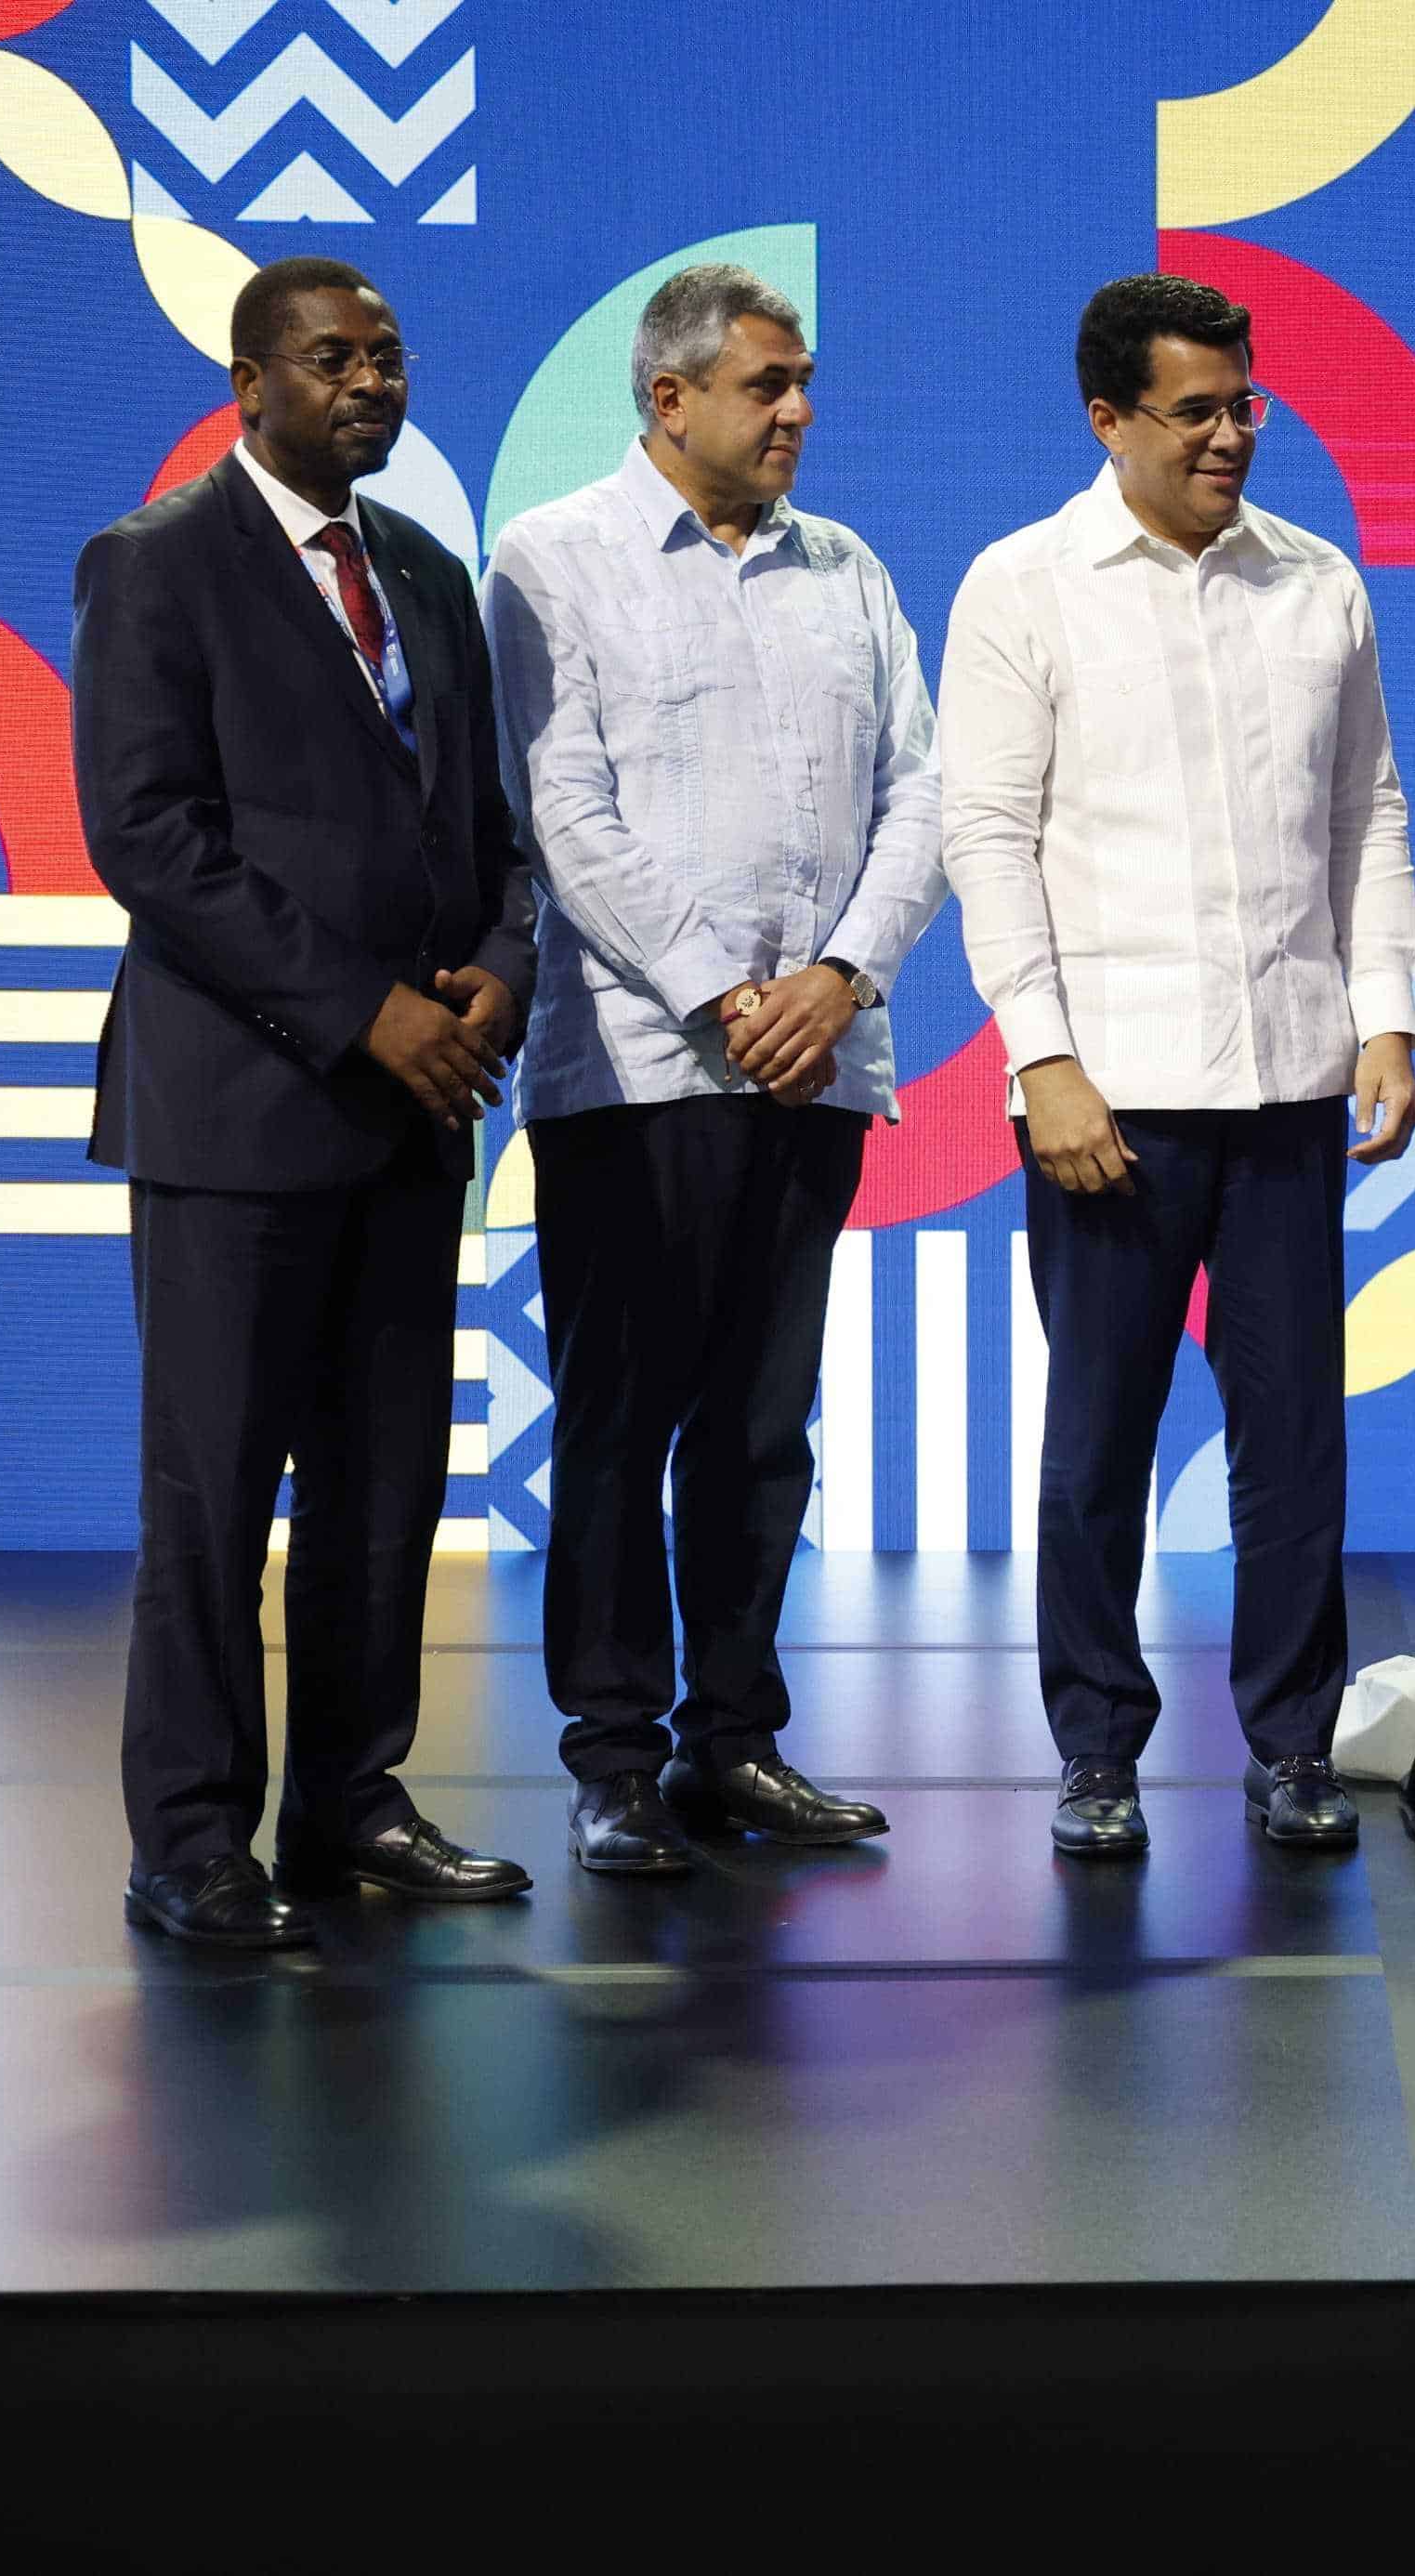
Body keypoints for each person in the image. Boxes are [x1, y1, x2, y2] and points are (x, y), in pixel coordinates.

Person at [74, 255, 535, 1947]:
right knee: (213, 1496)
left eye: (390, 357)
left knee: (384, 1486)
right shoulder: (156, 564)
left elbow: (487, 830)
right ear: (250, 381)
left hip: (419, 1112)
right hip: (241, 1111)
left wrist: (498, 968)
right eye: (334, 358)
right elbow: (150, 840)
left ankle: (350, 1799)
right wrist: (364, 1016)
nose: (371, 383)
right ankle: (192, 1839)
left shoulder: (422, 570)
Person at [937, 273, 1415, 1859]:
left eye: (1245, 403)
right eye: (1195, 411)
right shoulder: (1024, 586)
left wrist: (1388, 1015)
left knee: (1294, 1443)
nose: (1231, 435)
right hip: (1111, 1100)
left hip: (1287, 1084)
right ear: (1108, 420)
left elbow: (1371, 814)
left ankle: (1291, 1744)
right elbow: (987, 841)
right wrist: (1046, 1061)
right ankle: (1096, 1751)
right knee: (1099, 1445)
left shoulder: (1319, 584)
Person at [481, 263, 947, 1878]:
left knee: (763, 1427)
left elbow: (927, 797)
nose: (799, 411)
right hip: (636, 1075)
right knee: (623, 1423)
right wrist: (723, 992)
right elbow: (566, 817)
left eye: (804, 381)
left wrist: (840, 976)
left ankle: (731, 1743)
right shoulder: (553, 561)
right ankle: (612, 1758)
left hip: (814, 1069)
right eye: (769, 384)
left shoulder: (850, 571)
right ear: (668, 399)